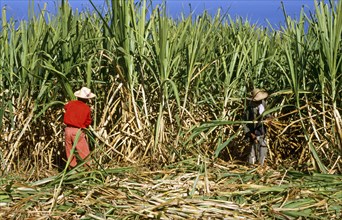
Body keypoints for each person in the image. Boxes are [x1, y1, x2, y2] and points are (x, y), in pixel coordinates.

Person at [63, 87, 96, 168]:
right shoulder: (86, 108)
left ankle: (72, 169)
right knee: (83, 151)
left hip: (67, 130)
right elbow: (88, 121)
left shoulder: (71, 103)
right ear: (87, 99)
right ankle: (88, 169)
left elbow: (65, 108)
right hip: (77, 131)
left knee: (69, 151)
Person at [243, 88, 270, 166]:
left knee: (263, 148)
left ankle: (261, 165)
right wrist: (249, 133)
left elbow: (267, 114)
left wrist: (269, 118)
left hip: (262, 130)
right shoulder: (249, 109)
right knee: (253, 150)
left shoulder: (263, 104)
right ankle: (251, 166)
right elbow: (245, 122)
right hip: (253, 132)